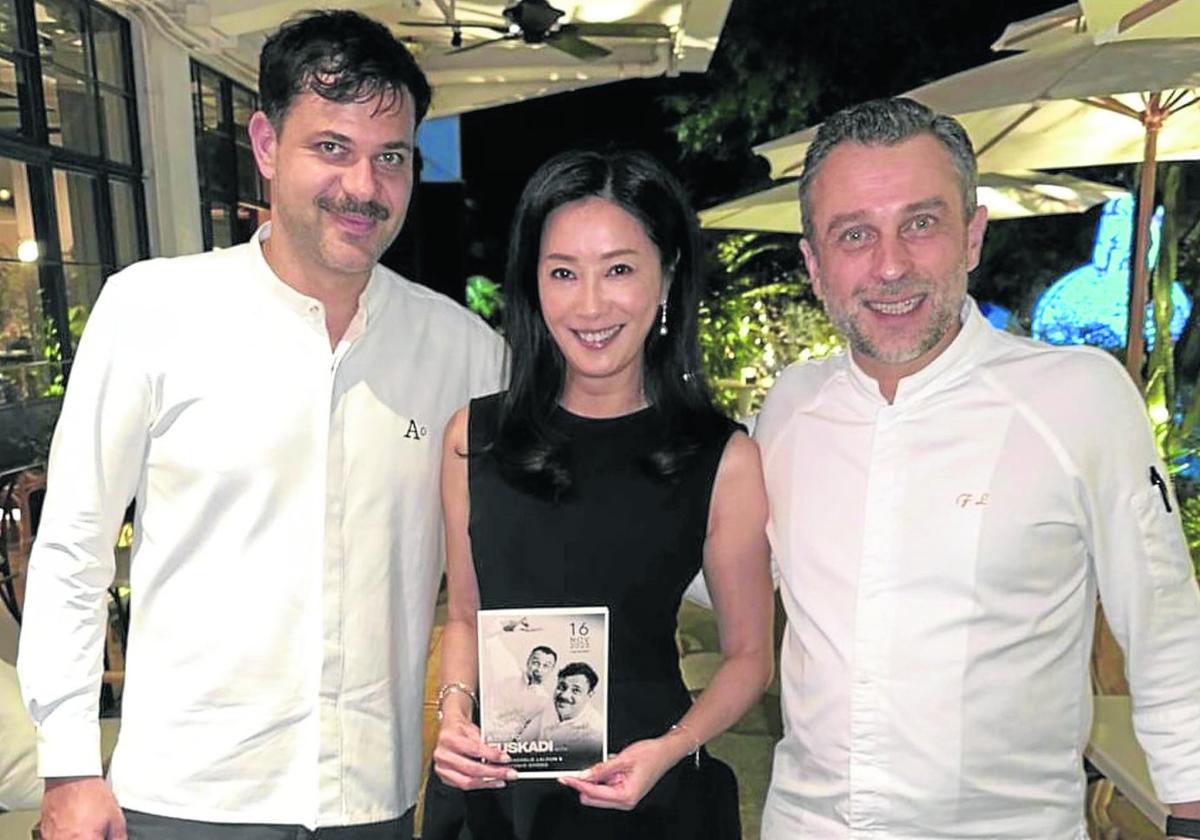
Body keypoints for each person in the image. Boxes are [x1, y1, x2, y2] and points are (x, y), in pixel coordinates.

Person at [17, 10, 505, 839]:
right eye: (332, 147)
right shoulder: (152, 310)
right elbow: (72, 544)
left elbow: (526, 544)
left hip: (372, 803)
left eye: (390, 157)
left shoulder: (464, 352)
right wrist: (67, 764)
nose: (364, 185)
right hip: (185, 798)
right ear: (268, 144)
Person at [755, 96, 1200, 839]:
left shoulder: (1077, 396)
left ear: (972, 235)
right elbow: (723, 571)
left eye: (920, 224)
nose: (890, 265)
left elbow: (1163, 621)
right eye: (854, 234)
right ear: (814, 264)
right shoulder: (790, 410)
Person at [431, 149, 773, 839]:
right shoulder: (475, 437)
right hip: (497, 794)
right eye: (563, 273)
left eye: (619, 269)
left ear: (667, 277)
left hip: (645, 794)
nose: (589, 304)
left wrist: (673, 747)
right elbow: (466, 615)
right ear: (534, 284)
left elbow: (749, 658)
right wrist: (453, 713)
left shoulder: (721, 457)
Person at [515, 663, 604, 754]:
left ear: (590, 694)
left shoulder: (595, 733)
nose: (564, 695)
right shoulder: (548, 707)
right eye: (561, 687)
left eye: (576, 690)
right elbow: (522, 742)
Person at [488, 645, 558, 741]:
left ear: (551, 670)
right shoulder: (509, 678)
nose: (539, 669)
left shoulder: (544, 701)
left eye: (546, 666)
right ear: (528, 662)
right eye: (536, 663)